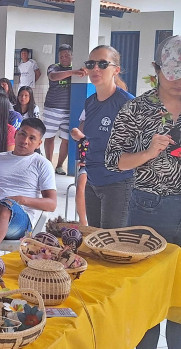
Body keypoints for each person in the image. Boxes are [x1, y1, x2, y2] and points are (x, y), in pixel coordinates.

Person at [105, 36, 181, 349]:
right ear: (156, 69)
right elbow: (114, 161)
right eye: (171, 72)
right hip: (149, 207)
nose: (177, 81)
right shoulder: (136, 109)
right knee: (146, 298)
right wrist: (148, 153)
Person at [0, 118, 57, 266]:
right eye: (22, 134)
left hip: (19, 223)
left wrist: (21, 200)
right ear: (15, 134)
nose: (25, 140)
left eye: (32, 138)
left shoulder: (42, 164)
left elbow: (51, 204)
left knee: (5, 206)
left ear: (39, 143)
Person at [69, 45, 134, 229]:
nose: (95, 68)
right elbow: (89, 137)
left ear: (116, 70)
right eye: (91, 64)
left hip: (118, 183)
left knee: (111, 245)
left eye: (103, 64)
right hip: (92, 179)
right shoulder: (90, 102)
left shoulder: (127, 103)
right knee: (95, 239)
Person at [43, 44, 87, 175]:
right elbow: (53, 77)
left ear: (72, 56)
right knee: (49, 137)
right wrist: (73, 72)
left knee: (66, 139)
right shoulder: (54, 67)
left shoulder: (76, 69)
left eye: (67, 55)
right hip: (52, 108)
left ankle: (59, 166)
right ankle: (48, 165)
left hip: (69, 110)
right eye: (61, 56)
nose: (64, 58)